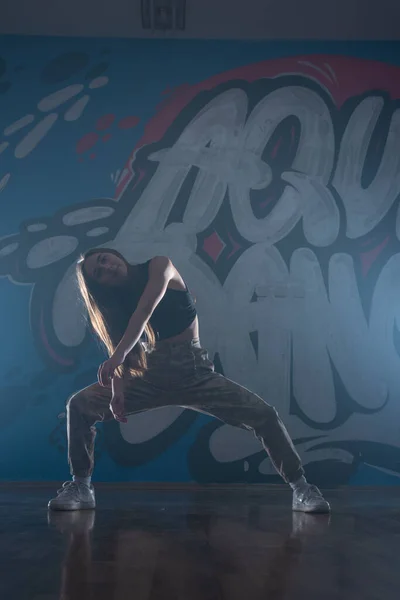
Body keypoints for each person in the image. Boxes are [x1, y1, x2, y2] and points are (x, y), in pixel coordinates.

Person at [48, 249, 330, 514]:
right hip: (151, 376)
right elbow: (122, 349)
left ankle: (302, 489)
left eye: (105, 259)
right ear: (101, 286)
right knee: (80, 405)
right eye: (99, 273)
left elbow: (146, 309)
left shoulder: (159, 265)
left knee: (264, 415)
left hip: (193, 372)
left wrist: (118, 356)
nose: (107, 267)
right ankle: (81, 488)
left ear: (115, 254)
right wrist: (117, 391)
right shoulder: (118, 304)